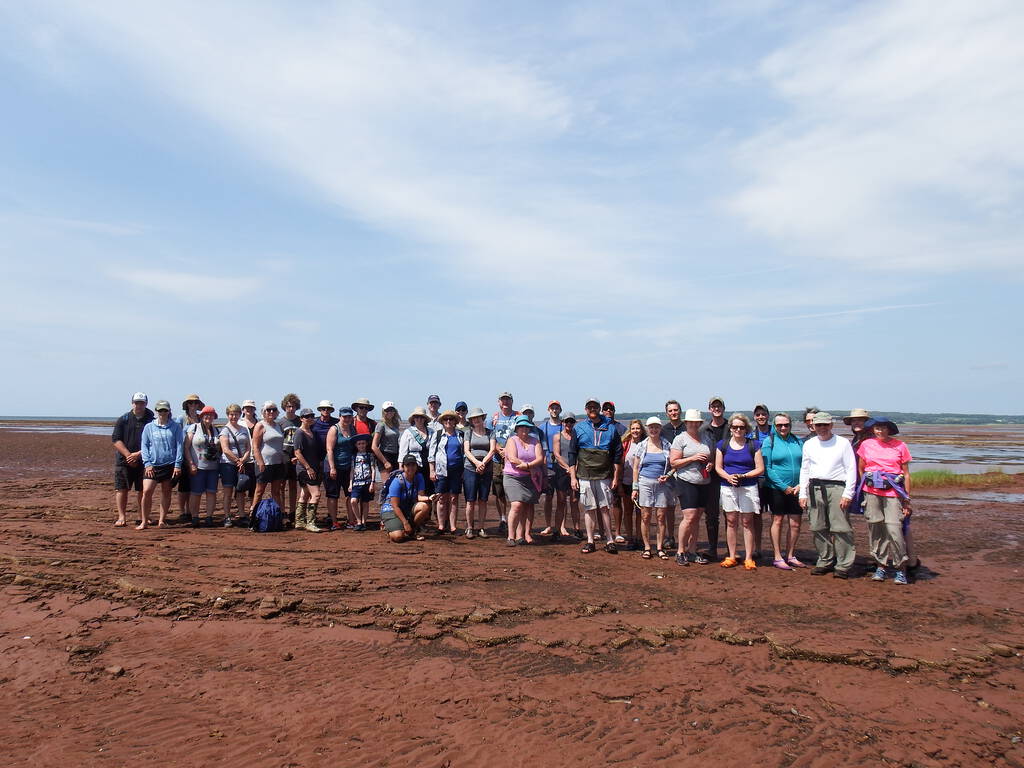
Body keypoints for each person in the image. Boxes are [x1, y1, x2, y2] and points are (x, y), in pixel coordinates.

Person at [799, 412, 857, 578]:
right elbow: (805, 470)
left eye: (825, 425)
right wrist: (802, 493)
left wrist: (848, 493)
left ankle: (843, 565)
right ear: (813, 426)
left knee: (840, 528)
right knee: (817, 526)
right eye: (819, 425)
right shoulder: (809, 444)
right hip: (815, 488)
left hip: (837, 488)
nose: (822, 428)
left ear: (831, 425)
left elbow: (851, 469)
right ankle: (825, 560)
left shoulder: (842, 443)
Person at [857, 418, 912, 585]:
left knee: (894, 530)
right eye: (877, 428)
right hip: (871, 493)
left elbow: (906, 474)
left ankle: (900, 568)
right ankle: (881, 566)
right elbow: (861, 468)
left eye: (882, 428)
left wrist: (907, 499)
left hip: (893, 494)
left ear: (889, 429)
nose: (879, 432)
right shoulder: (866, 445)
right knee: (876, 529)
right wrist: (867, 485)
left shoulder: (900, 446)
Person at [572, 398, 623, 554]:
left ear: (599, 408)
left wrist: (615, 478)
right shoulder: (578, 427)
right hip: (585, 475)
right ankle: (590, 541)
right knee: (589, 509)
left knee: (605, 508)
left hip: (604, 475)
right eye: (589, 407)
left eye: (595, 407)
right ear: (586, 409)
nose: (592, 409)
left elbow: (617, 455)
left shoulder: (611, 428)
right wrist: (573, 477)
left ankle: (609, 540)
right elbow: (572, 454)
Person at [714, 413, 764, 570]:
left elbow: (760, 468)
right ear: (730, 428)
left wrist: (744, 475)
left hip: (748, 487)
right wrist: (729, 477)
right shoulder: (722, 444)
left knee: (747, 522)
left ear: (746, 429)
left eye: (741, 427)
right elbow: (718, 467)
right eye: (735, 427)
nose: (738, 430)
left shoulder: (754, 445)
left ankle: (749, 558)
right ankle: (732, 555)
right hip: (728, 486)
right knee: (731, 521)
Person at [760, 413, 806, 569]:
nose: (783, 427)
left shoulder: (798, 441)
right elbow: (767, 468)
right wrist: (783, 487)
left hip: (796, 488)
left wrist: (800, 485)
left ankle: (791, 555)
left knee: (795, 523)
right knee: (777, 521)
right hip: (776, 488)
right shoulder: (769, 441)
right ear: (774, 426)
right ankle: (778, 556)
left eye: (786, 424)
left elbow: (805, 466)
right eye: (779, 425)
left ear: (790, 425)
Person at [669, 409, 715, 565]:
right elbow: (673, 462)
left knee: (697, 518)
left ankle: (693, 550)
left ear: (700, 423)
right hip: (686, 481)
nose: (694, 424)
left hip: (703, 481)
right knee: (689, 517)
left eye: (697, 422)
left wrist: (710, 464)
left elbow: (710, 458)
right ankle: (680, 551)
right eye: (691, 422)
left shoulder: (706, 438)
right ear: (686, 423)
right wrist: (693, 458)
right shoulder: (680, 439)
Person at [631, 417, 672, 560]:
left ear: (660, 429)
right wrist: (635, 487)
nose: (654, 430)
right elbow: (635, 468)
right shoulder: (642, 445)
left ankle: (660, 548)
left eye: (656, 427)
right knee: (645, 516)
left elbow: (673, 465)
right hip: (644, 482)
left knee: (661, 517)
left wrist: (667, 475)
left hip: (662, 484)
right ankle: (647, 547)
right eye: (651, 427)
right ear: (647, 429)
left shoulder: (667, 444)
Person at [112, 392, 154, 527]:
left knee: (142, 490)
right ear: (132, 403)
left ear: (146, 404)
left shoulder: (151, 418)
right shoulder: (123, 419)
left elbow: (154, 441)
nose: (139, 405)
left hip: (144, 459)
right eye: (137, 402)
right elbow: (116, 439)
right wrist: (128, 455)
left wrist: (139, 454)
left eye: (142, 403)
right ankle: (121, 516)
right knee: (122, 489)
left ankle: (142, 516)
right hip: (124, 460)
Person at [138, 400, 183, 529]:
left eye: (165, 410)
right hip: (152, 465)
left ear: (169, 411)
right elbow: (144, 446)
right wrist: (147, 463)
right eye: (160, 410)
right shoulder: (149, 427)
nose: (162, 413)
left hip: (169, 464)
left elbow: (179, 446)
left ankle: (162, 520)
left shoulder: (175, 427)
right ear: (156, 411)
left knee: (166, 492)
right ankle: (144, 521)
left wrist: (178, 465)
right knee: (147, 491)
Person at [503, 415, 545, 546]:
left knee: (527, 506)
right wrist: (529, 467)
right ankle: (510, 536)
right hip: (513, 476)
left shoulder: (535, 441)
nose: (524, 430)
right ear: (517, 428)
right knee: (516, 505)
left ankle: (520, 535)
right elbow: (512, 458)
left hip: (530, 478)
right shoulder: (512, 440)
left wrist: (528, 467)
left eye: (526, 427)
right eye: (521, 427)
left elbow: (540, 458)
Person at [699, 396, 729, 560]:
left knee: (730, 514)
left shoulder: (731, 426)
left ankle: (731, 550)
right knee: (711, 514)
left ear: (723, 408)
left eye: (719, 406)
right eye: (713, 406)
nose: (716, 408)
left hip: (728, 474)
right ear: (710, 409)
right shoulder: (703, 429)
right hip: (710, 476)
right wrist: (709, 463)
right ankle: (712, 549)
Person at [183, 405, 222, 527]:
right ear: (201, 416)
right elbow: (186, 448)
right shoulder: (193, 428)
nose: (208, 417)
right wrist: (190, 464)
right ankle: (195, 517)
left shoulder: (216, 430)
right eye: (206, 415)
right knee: (196, 493)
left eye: (211, 415)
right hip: (197, 467)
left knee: (211, 493)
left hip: (213, 468)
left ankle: (209, 517)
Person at [380, 455, 434, 543]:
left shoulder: (419, 477)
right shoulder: (397, 482)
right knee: (398, 537)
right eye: (408, 465)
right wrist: (405, 523)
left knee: (425, 506)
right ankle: (390, 527)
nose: (411, 468)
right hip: (391, 509)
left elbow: (419, 497)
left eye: (413, 465)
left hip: (406, 507)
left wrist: (429, 498)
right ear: (403, 467)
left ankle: (412, 531)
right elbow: (395, 506)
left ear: (416, 466)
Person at [429, 410, 464, 534]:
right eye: (446, 419)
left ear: (455, 421)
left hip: (457, 470)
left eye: (451, 419)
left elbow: (464, 453)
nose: (448, 421)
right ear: (443, 422)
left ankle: (453, 527)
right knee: (441, 498)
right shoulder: (437, 435)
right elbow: (431, 454)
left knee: (454, 498)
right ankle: (441, 526)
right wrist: (431, 470)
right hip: (441, 470)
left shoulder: (460, 435)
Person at [463, 407, 496, 538]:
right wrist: (477, 463)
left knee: (483, 499)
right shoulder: (468, 433)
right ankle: (470, 527)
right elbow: (466, 450)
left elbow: (492, 450)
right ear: (471, 420)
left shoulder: (490, 432)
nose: (476, 420)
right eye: (473, 418)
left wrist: (483, 463)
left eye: (478, 417)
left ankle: (481, 527)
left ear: (483, 418)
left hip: (486, 469)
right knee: (470, 500)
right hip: (470, 468)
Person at [250, 401, 287, 517]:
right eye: (268, 410)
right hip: (265, 463)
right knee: (259, 491)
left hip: (278, 463)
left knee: (276, 491)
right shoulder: (260, 425)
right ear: (263, 412)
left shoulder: (278, 426)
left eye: (274, 409)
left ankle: (278, 515)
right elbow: (255, 446)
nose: (271, 412)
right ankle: (253, 514)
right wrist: (260, 462)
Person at [218, 404, 252, 526]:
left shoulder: (243, 429)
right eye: (231, 414)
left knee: (241, 490)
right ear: (227, 415)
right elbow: (225, 450)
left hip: (242, 464)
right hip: (228, 465)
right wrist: (238, 461)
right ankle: (227, 517)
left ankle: (242, 515)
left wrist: (243, 460)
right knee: (228, 491)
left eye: (236, 414)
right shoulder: (224, 430)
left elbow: (249, 447)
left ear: (239, 415)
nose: (234, 416)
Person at [292, 407, 325, 532]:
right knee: (316, 494)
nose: (310, 418)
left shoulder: (313, 432)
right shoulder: (299, 433)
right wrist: (308, 467)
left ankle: (299, 521)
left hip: (314, 468)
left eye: (312, 416)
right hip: (304, 469)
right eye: (307, 416)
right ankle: (310, 522)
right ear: (301, 419)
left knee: (305, 494)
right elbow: (297, 452)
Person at [490, 392, 519, 532]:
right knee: (499, 491)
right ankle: (502, 518)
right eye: (503, 399)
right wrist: (498, 450)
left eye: (508, 399)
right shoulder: (494, 418)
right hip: (497, 459)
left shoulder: (517, 416)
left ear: (512, 401)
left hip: (513, 459)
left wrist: (508, 450)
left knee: (514, 490)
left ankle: (515, 519)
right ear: (499, 402)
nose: (505, 402)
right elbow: (491, 437)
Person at [326, 407, 358, 529]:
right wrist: (332, 467)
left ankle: (351, 520)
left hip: (348, 467)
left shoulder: (352, 429)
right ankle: (334, 522)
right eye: (345, 416)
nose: (347, 419)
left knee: (350, 493)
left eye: (349, 416)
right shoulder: (334, 429)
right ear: (340, 416)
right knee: (333, 495)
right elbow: (329, 449)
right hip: (334, 465)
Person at [749, 404, 773, 556]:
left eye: (763, 414)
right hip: (757, 479)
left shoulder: (776, 432)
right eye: (758, 415)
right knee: (756, 515)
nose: (761, 417)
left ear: (768, 415)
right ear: (754, 417)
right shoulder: (751, 435)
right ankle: (757, 548)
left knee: (777, 515)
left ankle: (776, 549)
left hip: (774, 478)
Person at [660, 400, 685, 549]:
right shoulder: (664, 430)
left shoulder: (687, 428)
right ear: (667, 413)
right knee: (669, 507)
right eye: (670, 411)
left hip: (685, 471)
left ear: (680, 411)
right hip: (669, 473)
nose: (673, 413)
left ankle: (686, 537)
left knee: (687, 507)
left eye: (675, 410)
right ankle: (670, 536)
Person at [552, 412, 581, 537]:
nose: (569, 424)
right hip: (561, 472)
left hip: (576, 471)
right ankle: (557, 530)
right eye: (566, 421)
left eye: (571, 421)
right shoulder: (557, 436)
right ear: (562, 422)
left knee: (574, 501)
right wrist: (568, 468)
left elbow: (580, 454)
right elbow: (557, 455)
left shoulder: (577, 436)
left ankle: (577, 529)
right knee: (561, 501)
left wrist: (575, 469)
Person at [175, 394, 203, 520]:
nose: (193, 405)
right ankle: (182, 512)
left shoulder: (200, 419)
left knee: (194, 486)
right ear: (187, 405)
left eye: (195, 403)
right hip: (183, 456)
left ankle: (189, 510)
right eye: (190, 403)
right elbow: (176, 436)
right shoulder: (181, 419)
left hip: (197, 456)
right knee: (183, 486)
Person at [539, 401, 564, 539]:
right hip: (547, 466)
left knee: (562, 498)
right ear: (548, 410)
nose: (554, 410)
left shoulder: (564, 425)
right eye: (552, 408)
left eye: (557, 408)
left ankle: (561, 526)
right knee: (548, 498)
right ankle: (548, 525)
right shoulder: (543, 427)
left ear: (560, 410)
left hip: (562, 467)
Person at [619, 419, 646, 547]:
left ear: (642, 430)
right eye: (633, 428)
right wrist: (618, 482)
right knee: (628, 511)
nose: (635, 431)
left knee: (641, 512)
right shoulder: (625, 444)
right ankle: (630, 537)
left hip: (642, 483)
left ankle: (639, 538)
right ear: (630, 430)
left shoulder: (646, 443)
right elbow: (619, 464)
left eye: (638, 428)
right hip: (627, 482)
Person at [278, 393, 302, 526]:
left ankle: (293, 511)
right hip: (284, 454)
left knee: (293, 485)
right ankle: (282, 510)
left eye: (293, 406)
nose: (290, 409)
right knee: (281, 485)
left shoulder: (299, 421)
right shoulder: (281, 422)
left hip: (297, 454)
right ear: (284, 407)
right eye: (288, 406)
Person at [399, 406, 433, 484]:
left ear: (425, 419)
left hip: (428, 464)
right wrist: (401, 466)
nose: (419, 419)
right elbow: (402, 451)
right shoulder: (408, 432)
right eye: (417, 417)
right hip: (413, 464)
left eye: (421, 417)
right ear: (413, 419)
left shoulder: (431, 432)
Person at [349, 433, 375, 531]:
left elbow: (373, 469)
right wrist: (350, 483)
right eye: (359, 444)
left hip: (367, 482)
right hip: (356, 482)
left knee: (365, 502)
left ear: (366, 444)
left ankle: (364, 522)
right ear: (356, 445)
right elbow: (352, 470)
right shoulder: (354, 456)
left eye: (363, 443)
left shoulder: (370, 455)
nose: (361, 445)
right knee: (353, 501)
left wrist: (372, 482)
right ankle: (358, 520)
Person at [372, 401, 402, 479]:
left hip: (395, 456)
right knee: (387, 485)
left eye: (392, 410)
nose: (390, 412)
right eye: (387, 410)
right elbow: (374, 446)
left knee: (397, 484)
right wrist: (385, 462)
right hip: (385, 456)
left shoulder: (395, 424)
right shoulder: (381, 425)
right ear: (383, 411)